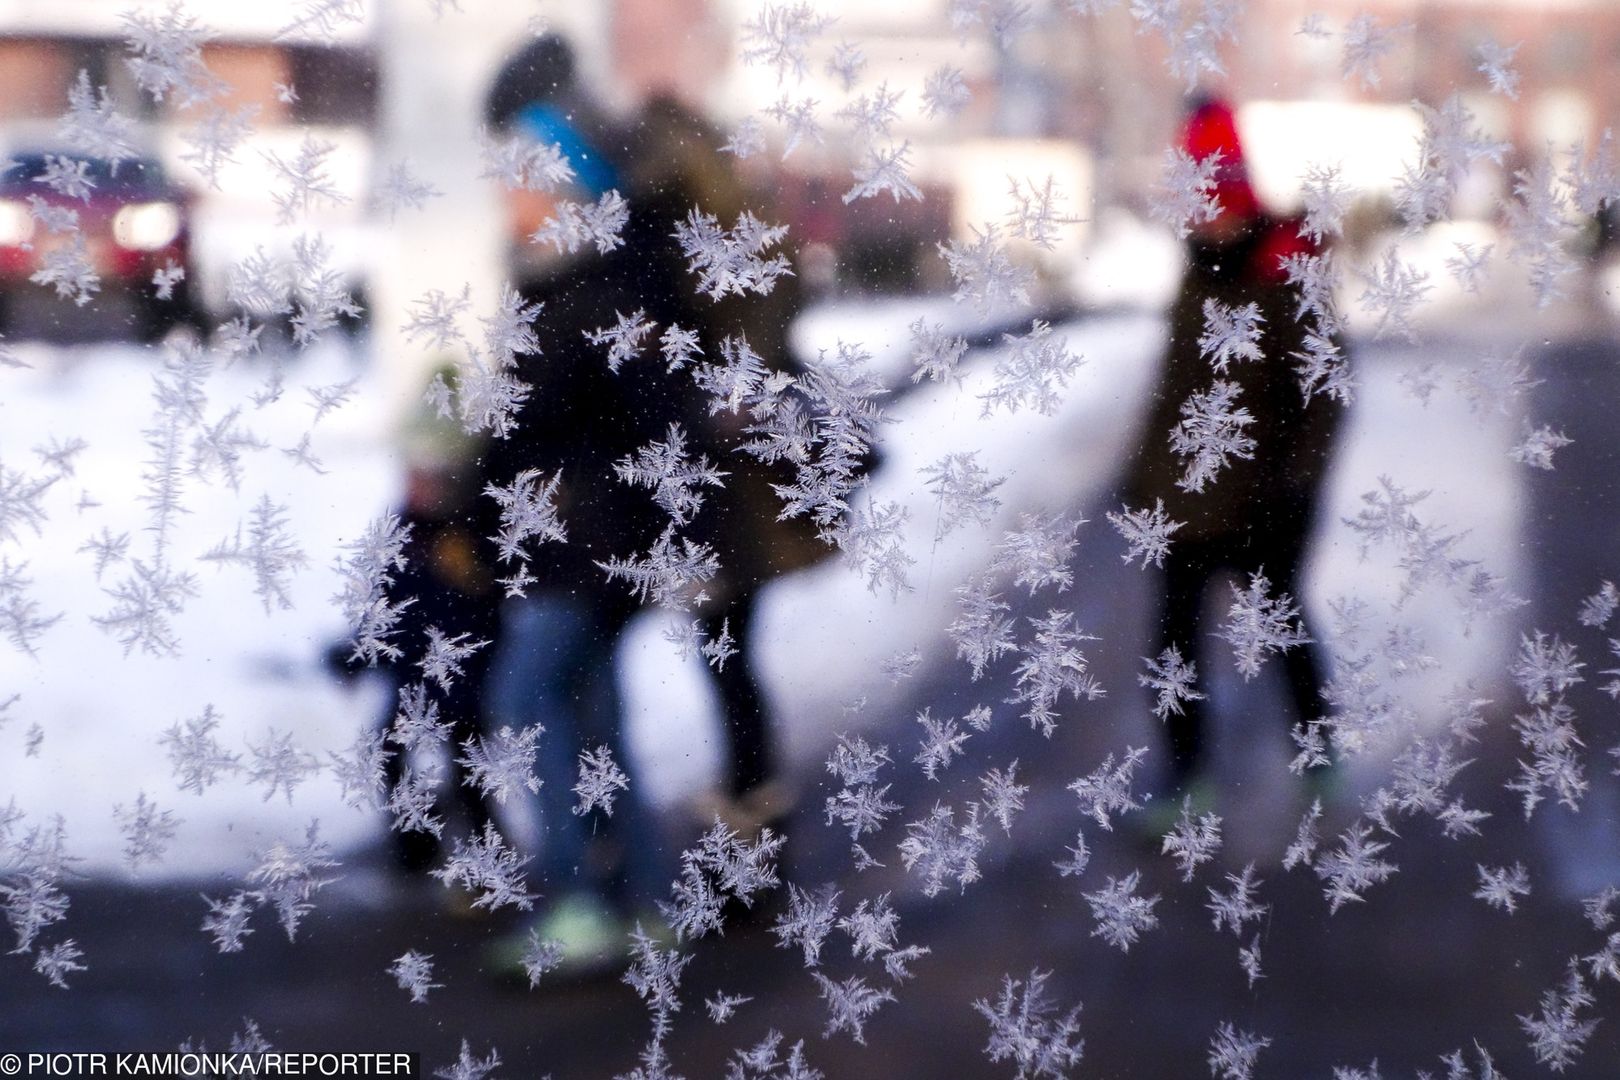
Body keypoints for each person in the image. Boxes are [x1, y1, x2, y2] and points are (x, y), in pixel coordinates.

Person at [1120, 96, 1345, 807]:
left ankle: (1319, 757)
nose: (1204, 219)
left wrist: (1296, 488)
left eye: (1213, 203)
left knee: (1281, 632)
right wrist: (1141, 478)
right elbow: (1176, 389)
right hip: (1183, 500)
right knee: (1174, 651)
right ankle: (1187, 783)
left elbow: (1325, 395)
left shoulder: (1283, 277)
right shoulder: (1196, 272)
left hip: (1259, 500)